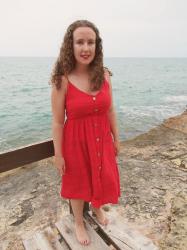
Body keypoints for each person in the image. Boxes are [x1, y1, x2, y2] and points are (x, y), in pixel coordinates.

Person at [50, 20, 121, 246]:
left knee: (101, 173)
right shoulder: (62, 79)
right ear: (70, 46)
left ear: (97, 46)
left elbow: (110, 109)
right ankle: (79, 221)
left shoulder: (105, 74)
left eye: (90, 42)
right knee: (78, 181)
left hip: (102, 138)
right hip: (75, 141)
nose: (85, 48)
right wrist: (58, 154)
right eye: (79, 42)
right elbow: (58, 122)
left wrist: (116, 138)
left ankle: (98, 208)